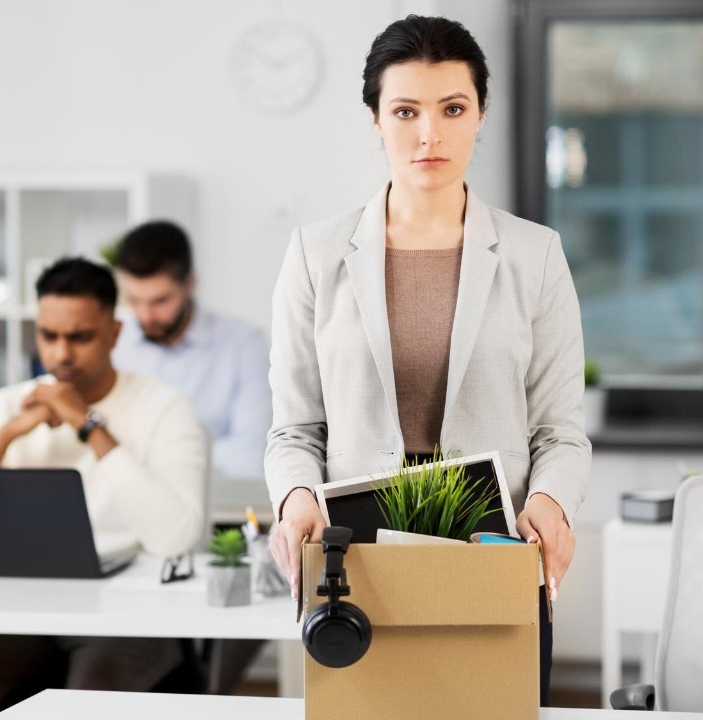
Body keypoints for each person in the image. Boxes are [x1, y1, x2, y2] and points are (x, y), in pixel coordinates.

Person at [263, 15, 591, 706]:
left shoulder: (536, 256)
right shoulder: (315, 256)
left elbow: (560, 431)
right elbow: (295, 431)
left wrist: (552, 503)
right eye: (405, 110)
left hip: (492, 558)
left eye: (452, 109)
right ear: (375, 119)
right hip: (358, 565)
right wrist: (295, 497)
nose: (429, 135)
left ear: (480, 114)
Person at [0, 258, 208, 720]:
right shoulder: (8, 405)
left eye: (79, 337)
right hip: (21, 612)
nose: (61, 354)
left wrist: (89, 426)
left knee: (81, 706)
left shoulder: (165, 409)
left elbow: (175, 536)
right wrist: (6, 435)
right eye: (48, 336)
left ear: (115, 333)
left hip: (131, 616)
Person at [112, 220, 271, 479]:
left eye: (160, 301)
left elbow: (253, 453)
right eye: (134, 300)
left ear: (190, 284)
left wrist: (149, 457)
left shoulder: (244, 344)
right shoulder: (115, 344)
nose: (145, 316)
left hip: (219, 504)